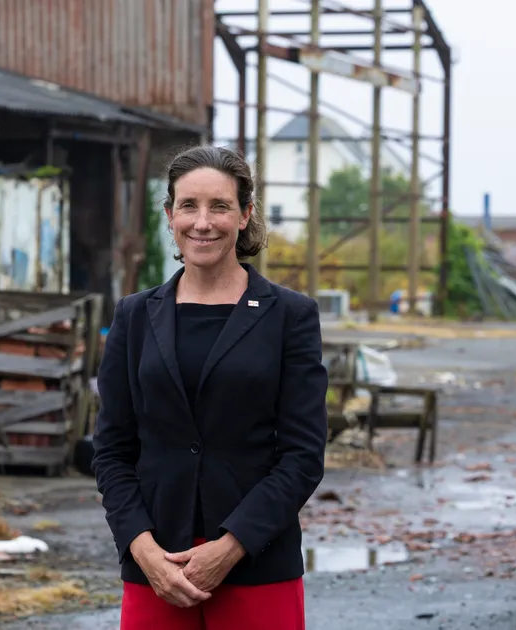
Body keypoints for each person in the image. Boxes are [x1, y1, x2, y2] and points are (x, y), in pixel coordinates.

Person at [92, 145, 329, 629]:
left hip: (257, 562)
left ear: (244, 215)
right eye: (189, 206)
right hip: (157, 567)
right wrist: (142, 549)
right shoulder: (134, 316)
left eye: (219, 206)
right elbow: (112, 450)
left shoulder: (290, 316)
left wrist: (231, 546)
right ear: (170, 216)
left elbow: (303, 455)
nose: (203, 223)